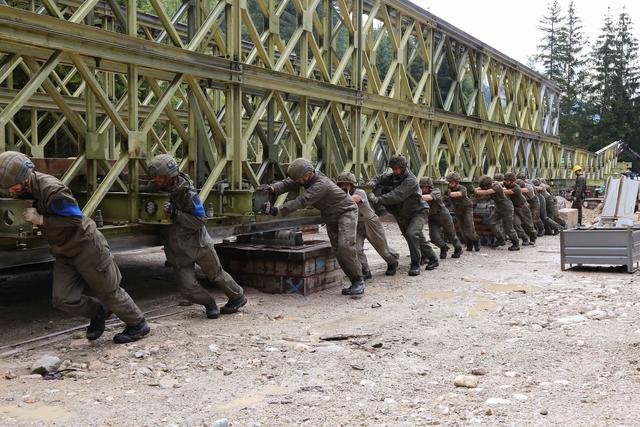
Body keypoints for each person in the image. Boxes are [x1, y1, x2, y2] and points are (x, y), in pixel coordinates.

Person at [0, 151, 149, 343]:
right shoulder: (23, 188)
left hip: (86, 246)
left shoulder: (53, 190)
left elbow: (74, 219)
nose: (10, 191)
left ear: (25, 177)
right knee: (63, 299)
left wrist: (41, 219)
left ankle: (138, 324)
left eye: (13, 187)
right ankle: (98, 312)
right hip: (63, 250)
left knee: (109, 291)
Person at [146, 154, 247, 317]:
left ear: (169, 177)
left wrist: (176, 214)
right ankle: (209, 303)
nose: (155, 180)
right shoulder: (155, 188)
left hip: (198, 244)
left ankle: (237, 297)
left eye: (159, 177)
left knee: (216, 275)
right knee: (187, 288)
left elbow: (200, 220)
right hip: (177, 248)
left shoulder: (187, 193)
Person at [264, 158, 365, 295]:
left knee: (345, 246)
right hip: (331, 215)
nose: (298, 182)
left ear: (307, 175)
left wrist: (278, 210)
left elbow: (302, 200)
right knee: (338, 250)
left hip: (345, 212)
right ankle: (355, 281)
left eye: (299, 179)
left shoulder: (321, 184)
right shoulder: (306, 176)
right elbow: (289, 182)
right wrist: (274, 188)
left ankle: (358, 280)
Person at [368, 155, 439, 276]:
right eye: (393, 169)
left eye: (397, 169)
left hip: (418, 212)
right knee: (415, 237)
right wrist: (373, 182)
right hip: (403, 213)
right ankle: (433, 258)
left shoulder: (410, 180)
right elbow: (382, 177)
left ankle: (415, 264)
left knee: (412, 234)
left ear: (403, 167)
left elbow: (397, 195)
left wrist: (377, 199)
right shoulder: (395, 176)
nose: (394, 171)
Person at [335, 172, 399, 279]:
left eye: (346, 184)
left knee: (382, 248)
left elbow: (353, 199)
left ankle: (392, 262)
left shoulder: (360, 192)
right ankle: (365, 270)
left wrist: (336, 197)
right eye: (341, 185)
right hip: (357, 225)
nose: (343, 187)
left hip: (371, 223)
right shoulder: (340, 197)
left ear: (352, 185)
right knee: (356, 249)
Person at [419, 177, 462, 259]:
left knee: (451, 234)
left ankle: (458, 248)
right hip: (432, 217)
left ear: (430, 187)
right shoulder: (420, 193)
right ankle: (444, 247)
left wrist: (415, 196)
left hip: (443, 215)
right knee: (434, 237)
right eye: (422, 187)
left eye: (426, 187)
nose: (424, 189)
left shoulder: (436, 191)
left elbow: (429, 197)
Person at [474, 175, 520, 251]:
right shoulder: (490, 184)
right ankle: (500, 239)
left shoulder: (496, 187)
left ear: (487, 185)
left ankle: (516, 243)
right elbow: (481, 188)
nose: (484, 188)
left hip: (506, 208)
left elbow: (486, 192)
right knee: (491, 222)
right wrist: (474, 189)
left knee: (508, 227)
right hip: (498, 207)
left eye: (485, 186)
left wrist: (474, 191)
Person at [444, 172, 480, 252]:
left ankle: (476, 241)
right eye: (448, 182)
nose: (449, 184)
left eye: (451, 182)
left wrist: (447, 193)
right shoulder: (448, 189)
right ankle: (469, 244)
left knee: (469, 227)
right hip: (457, 209)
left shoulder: (462, 188)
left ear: (457, 182)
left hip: (467, 208)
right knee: (462, 229)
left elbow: (458, 194)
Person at [503, 172, 537, 246]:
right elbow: (500, 183)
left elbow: (508, 191)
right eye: (505, 180)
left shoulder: (516, 187)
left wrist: (497, 190)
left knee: (528, 224)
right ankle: (524, 237)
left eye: (507, 180)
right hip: (515, 207)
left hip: (523, 207)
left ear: (512, 181)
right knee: (515, 224)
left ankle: (532, 238)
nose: (505, 181)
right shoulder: (506, 184)